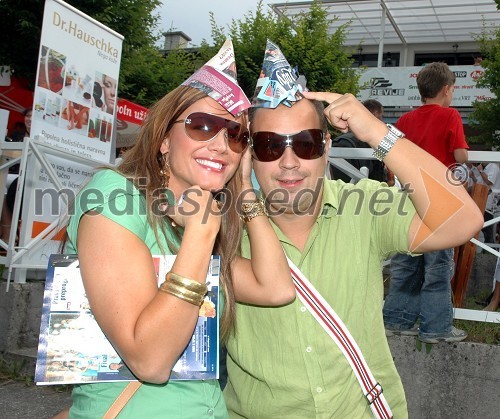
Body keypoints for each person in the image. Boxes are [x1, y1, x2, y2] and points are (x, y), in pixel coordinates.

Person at [223, 75, 482, 418]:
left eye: (306, 143)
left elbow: (464, 221)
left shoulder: (363, 207)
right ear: (250, 155)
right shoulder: (221, 228)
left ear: (327, 147)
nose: (289, 162)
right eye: (271, 145)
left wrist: (377, 132)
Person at [58, 42, 295, 417]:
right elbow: (150, 360)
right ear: (165, 138)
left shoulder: (204, 217)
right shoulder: (116, 195)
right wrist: (201, 236)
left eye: (236, 136)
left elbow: (276, 288)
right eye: (203, 126)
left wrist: (246, 190)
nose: (220, 146)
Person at [383, 62, 471, 344]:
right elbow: (460, 156)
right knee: (438, 267)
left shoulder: (406, 120)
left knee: (405, 263)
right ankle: (436, 328)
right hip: (440, 201)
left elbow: (391, 153)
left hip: (409, 199)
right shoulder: (450, 116)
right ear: (446, 90)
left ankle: (396, 321)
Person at [330, 99, 385, 183]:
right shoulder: (376, 143)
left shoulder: (342, 141)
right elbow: (378, 178)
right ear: (375, 115)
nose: (382, 121)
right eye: (381, 116)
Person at [0, 108, 32, 243]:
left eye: (32, 116)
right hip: (9, 172)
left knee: (9, 186)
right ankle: (7, 233)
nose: (29, 119)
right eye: (27, 116)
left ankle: (8, 234)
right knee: (3, 187)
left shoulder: (41, 136)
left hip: (26, 176)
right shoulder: (16, 135)